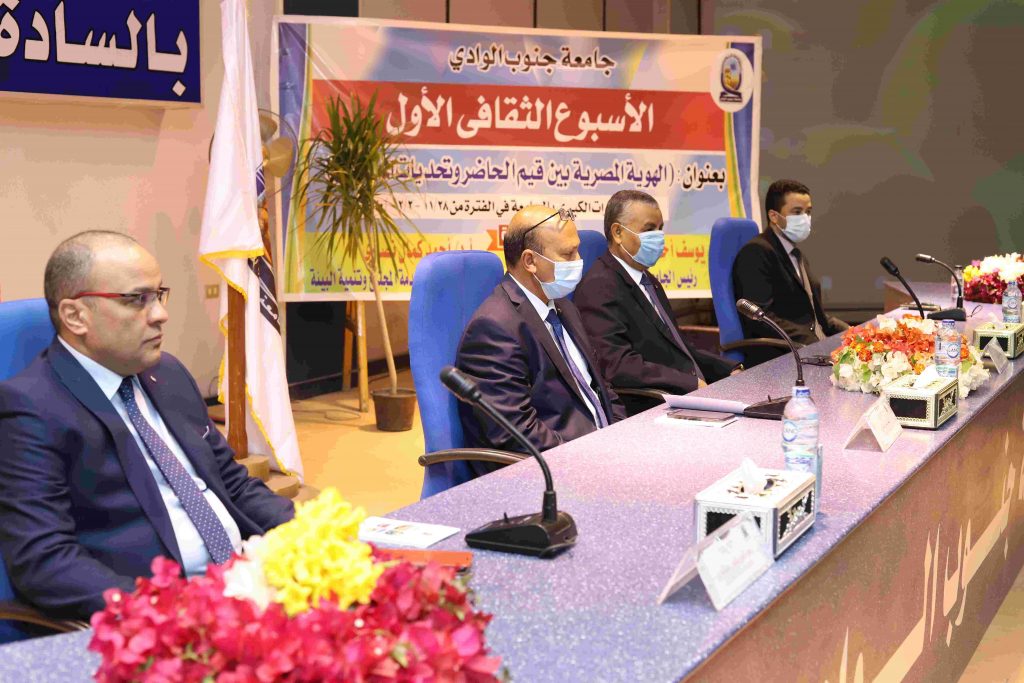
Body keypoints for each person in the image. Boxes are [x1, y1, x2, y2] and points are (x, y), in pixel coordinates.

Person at [0, 231, 294, 619]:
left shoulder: (168, 373)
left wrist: (313, 534)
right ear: (75, 316)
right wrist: (166, 612)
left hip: (249, 578)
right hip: (166, 611)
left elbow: (231, 483)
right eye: (137, 299)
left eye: (158, 295)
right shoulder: (32, 408)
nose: (159, 314)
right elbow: (45, 562)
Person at [456, 205, 625, 472]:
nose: (579, 260)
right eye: (568, 254)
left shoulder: (564, 308)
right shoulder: (494, 328)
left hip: (604, 453)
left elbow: (601, 388)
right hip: (552, 472)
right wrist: (590, 458)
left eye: (577, 250)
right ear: (530, 261)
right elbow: (517, 434)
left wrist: (624, 435)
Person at [575, 190, 740, 412]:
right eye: (649, 229)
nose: (659, 237)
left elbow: (678, 347)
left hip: (686, 395)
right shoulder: (599, 286)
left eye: (660, 228)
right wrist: (689, 384)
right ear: (618, 233)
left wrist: (728, 369)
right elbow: (619, 365)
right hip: (653, 406)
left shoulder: (648, 280)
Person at [732, 179, 849, 366]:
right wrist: (818, 346)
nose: (805, 218)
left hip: (813, 349)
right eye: (797, 212)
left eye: (808, 212)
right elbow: (763, 318)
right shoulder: (756, 253)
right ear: (774, 216)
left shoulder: (796, 254)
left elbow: (815, 316)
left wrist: (853, 333)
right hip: (784, 357)